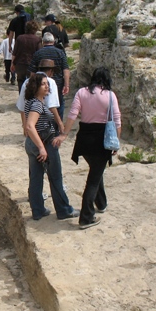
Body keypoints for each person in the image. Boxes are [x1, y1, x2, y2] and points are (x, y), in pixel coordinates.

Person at [55, 67, 120, 229]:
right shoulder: (110, 95)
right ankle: (86, 217)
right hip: (101, 140)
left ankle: (102, 203)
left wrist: (64, 134)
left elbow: (72, 114)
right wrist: (116, 141)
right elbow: (117, 120)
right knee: (93, 178)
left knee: (96, 171)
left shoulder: (81, 93)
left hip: (84, 138)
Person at [22, 73, 78, 221]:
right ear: (36, 87)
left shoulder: (32, 101)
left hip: (32, 143)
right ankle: (64, 210)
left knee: (35, 178)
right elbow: (30, 126)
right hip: (44, 143)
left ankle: (38, 210)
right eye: (43, 84)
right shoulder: (36, 104)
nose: (47, 86)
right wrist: (42, 147)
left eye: (47, 83)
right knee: (55, 177)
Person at [28, 33, 71, 119]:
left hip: (41, 85)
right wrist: (66, 85)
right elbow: (65, 70)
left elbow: (32, 72)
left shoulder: (38, 53)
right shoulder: (60, 53)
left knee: (42, 106)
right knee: (58, 104)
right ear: (54, 41)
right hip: (58, 84)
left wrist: (32, 85)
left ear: (43, 42)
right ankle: (58, 125)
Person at [17, 60, 63, 136]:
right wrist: (60, 124)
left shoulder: (27, 81)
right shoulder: (50, 82)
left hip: (31, 124)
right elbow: (52, 106)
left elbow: (22, 107)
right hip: (45, 126)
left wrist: (24, 125)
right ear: (51, 71)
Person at [11, 20, 42, 92]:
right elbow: (39, 54)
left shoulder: (19, 38)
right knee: (32, 82)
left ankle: (22, 98)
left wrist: (12, 64)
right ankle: (29, 99)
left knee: (20, 81)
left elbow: (14, 53)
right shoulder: (37, 40)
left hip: (20, 63)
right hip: (32, 65)